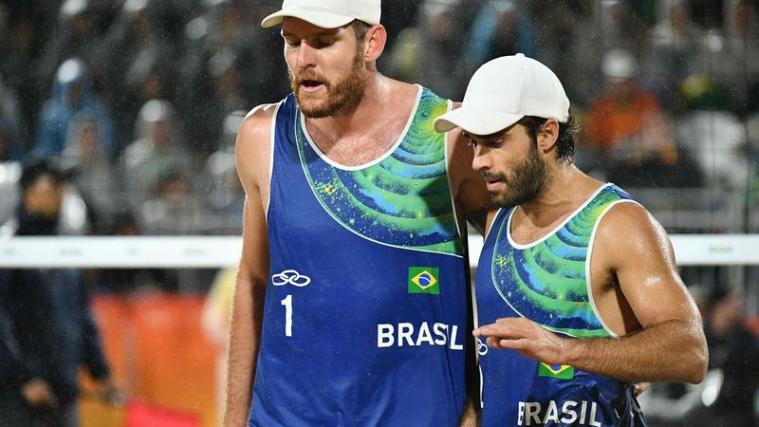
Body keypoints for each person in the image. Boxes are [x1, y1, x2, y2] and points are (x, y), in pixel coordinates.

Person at [225, 0, 489, 425]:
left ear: (372, 42)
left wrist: (478, 407)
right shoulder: (261, 137)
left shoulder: (447, 135)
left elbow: (515, 257)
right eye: (292, 42)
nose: (304, 60)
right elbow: (254, 280)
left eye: (324, 42)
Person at [434, 54, 708, 426]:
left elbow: (689, 351)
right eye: (474, 144)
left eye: (494, 142)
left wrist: (566, 350)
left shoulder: (618, 224)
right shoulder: (497, 213)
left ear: (547, 134)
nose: (480, 161)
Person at [0, 158, 117, 427]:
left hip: (63, 397)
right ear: (29, 191)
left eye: (63, 186)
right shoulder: (8, 251)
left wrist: (101, 372)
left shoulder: (65, 250)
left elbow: (81, 316)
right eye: (53, 184)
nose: (60, 193)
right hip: (18, 400)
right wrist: (21, 378)